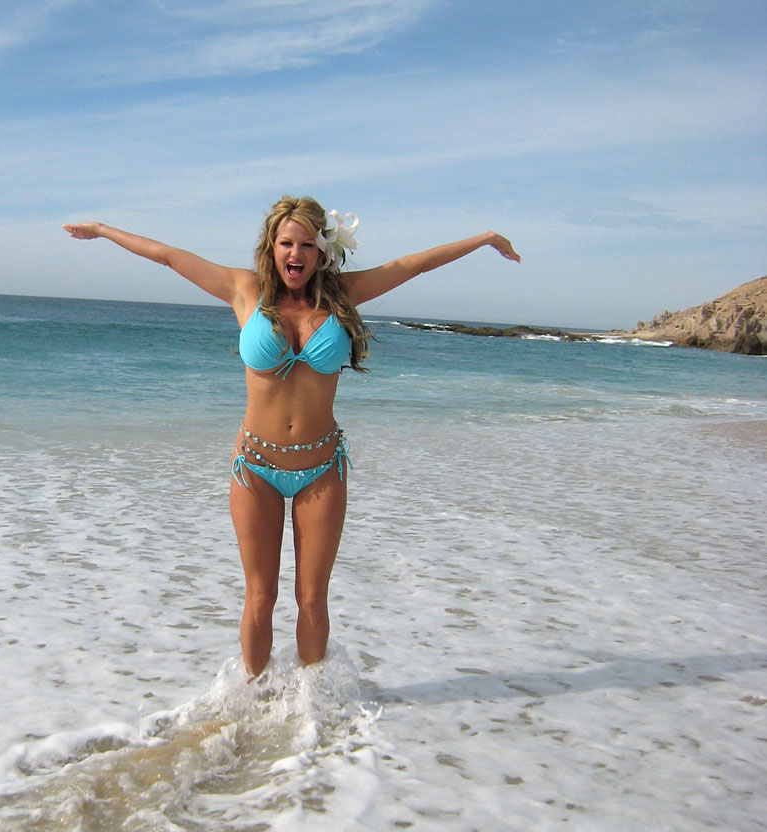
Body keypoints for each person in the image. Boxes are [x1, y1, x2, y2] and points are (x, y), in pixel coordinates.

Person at [64, 196, 520, 680]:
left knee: (312, 599)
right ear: (272, 246)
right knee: (260, 597)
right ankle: (249, 700)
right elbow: (167, 256)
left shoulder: (343, 296)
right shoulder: (244, 289)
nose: (295, 253)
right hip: (255, 468)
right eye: (286, 243)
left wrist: (485, 238)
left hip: (321, 469)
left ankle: (312, 707)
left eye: (306, 244)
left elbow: (415, 264)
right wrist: (103, 229)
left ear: (322, 251)